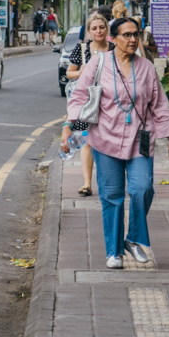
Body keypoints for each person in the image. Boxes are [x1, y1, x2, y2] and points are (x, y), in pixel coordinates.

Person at [65, 15, 169, 269]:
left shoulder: (146, 68)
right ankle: (113, 251)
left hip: (140, 138)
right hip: (104, 138)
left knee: (143, 189)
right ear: (112, 38)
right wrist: (69, 126)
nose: (132, 39)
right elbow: (80, 96)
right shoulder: (98, 62)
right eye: (126, 35)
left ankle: (134, 239)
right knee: (112, 196)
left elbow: (159, 104)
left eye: (135, 34)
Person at [60, 11, 109, 197]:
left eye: (102, 27)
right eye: (94, 28)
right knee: (87, 140)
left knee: (107, 141)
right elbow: (69, 74)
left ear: (107, 29)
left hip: (109, 102)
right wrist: (81, 72)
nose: (98, 31)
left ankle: (107, 182)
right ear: (88, 31)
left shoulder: (114, 48)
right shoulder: (82, 50)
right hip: (87, 102)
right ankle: (87, 184)